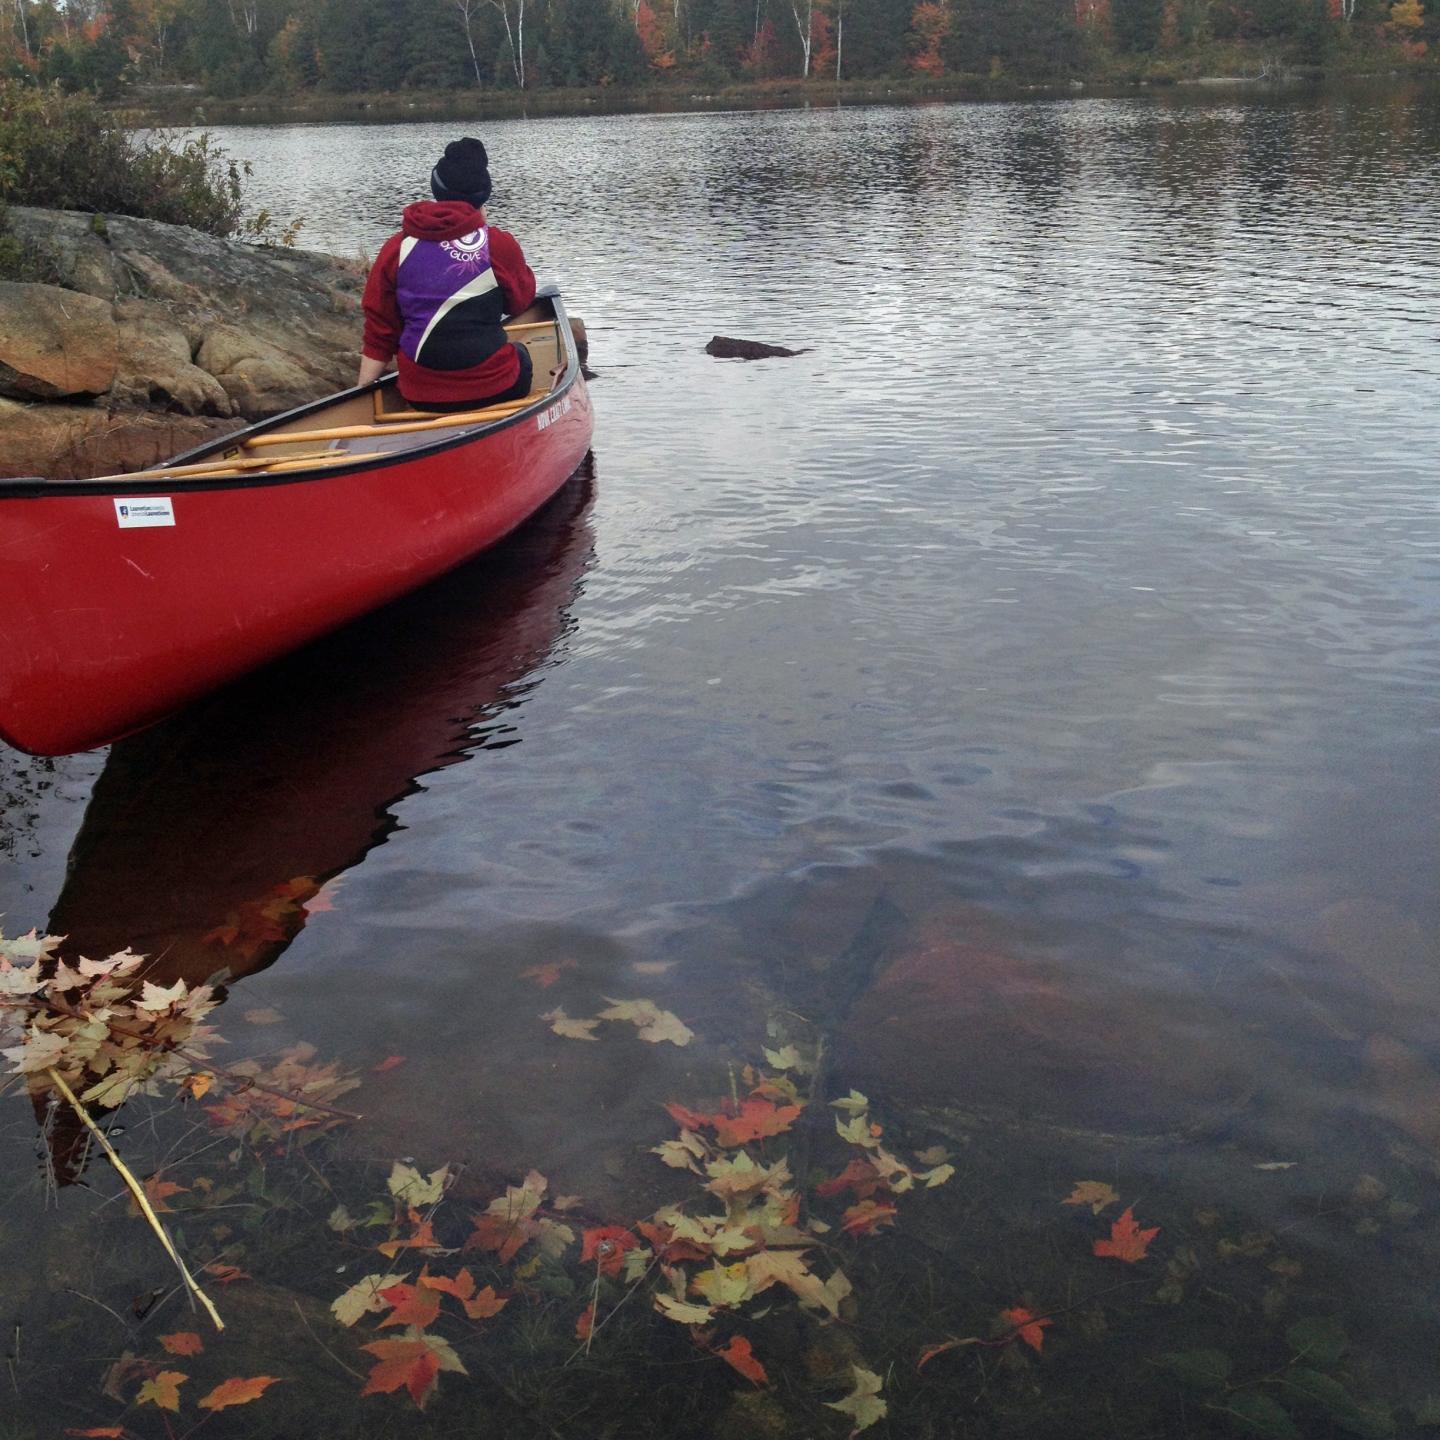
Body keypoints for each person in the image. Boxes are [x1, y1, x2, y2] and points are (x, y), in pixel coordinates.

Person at [358, 137, 537, 412]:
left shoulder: (397, 248)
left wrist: (361, 394)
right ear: (482, 195)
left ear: (436, 188)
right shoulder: (498, 244)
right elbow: (520, 303)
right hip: (496, 387)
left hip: (420, 395)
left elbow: (380, 329)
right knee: (521, 355)